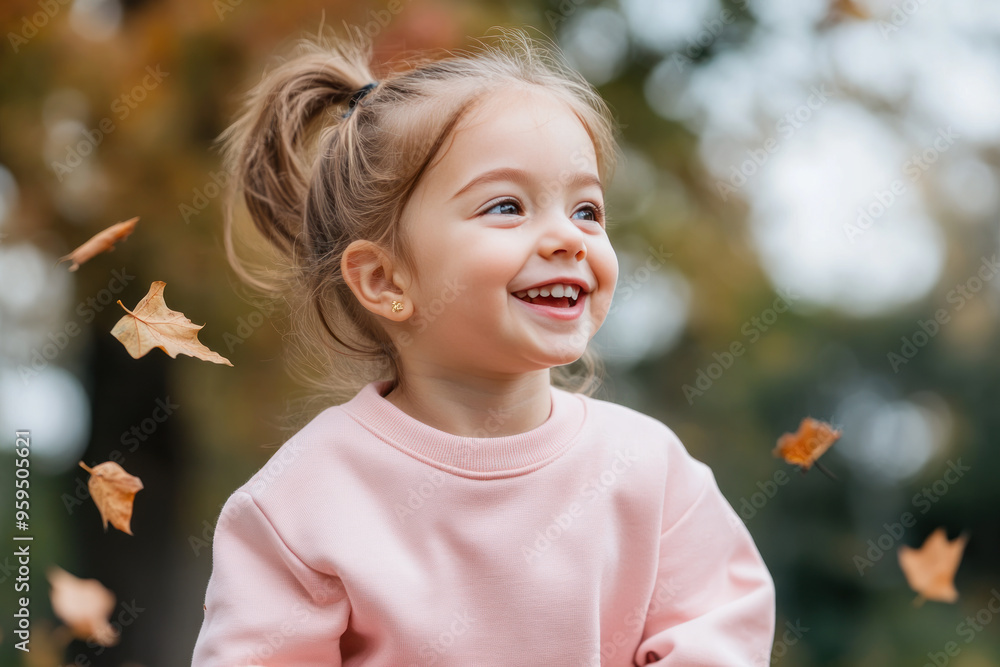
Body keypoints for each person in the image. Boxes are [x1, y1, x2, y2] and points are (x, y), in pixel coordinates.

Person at [191, 24, 776, 666]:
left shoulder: (649, 471)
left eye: (587, 210)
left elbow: (719, 633)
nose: (567, 238)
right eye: (506, 206)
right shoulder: (301, 502)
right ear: (386, 278)